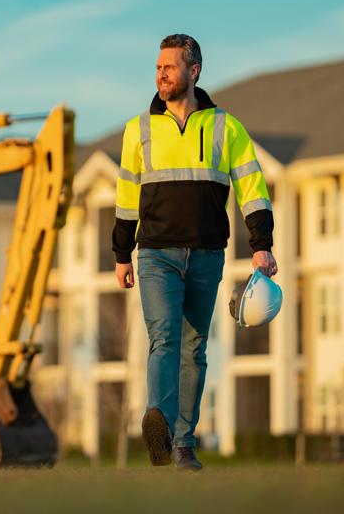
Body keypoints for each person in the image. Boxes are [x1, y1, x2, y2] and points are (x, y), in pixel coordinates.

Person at [112, 33, 277, 471]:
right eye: (158, 67)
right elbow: (127, 196)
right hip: (156, 255)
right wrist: (121, 254)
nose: (160, 73)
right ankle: (160, 428)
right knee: (164, 338)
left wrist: (261, 246)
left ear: (193, 70)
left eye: (169, 66)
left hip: (206, 254)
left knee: (195, 347)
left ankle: (184, 444)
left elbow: (252, 187)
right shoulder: (139, 130)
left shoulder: (226, 127)